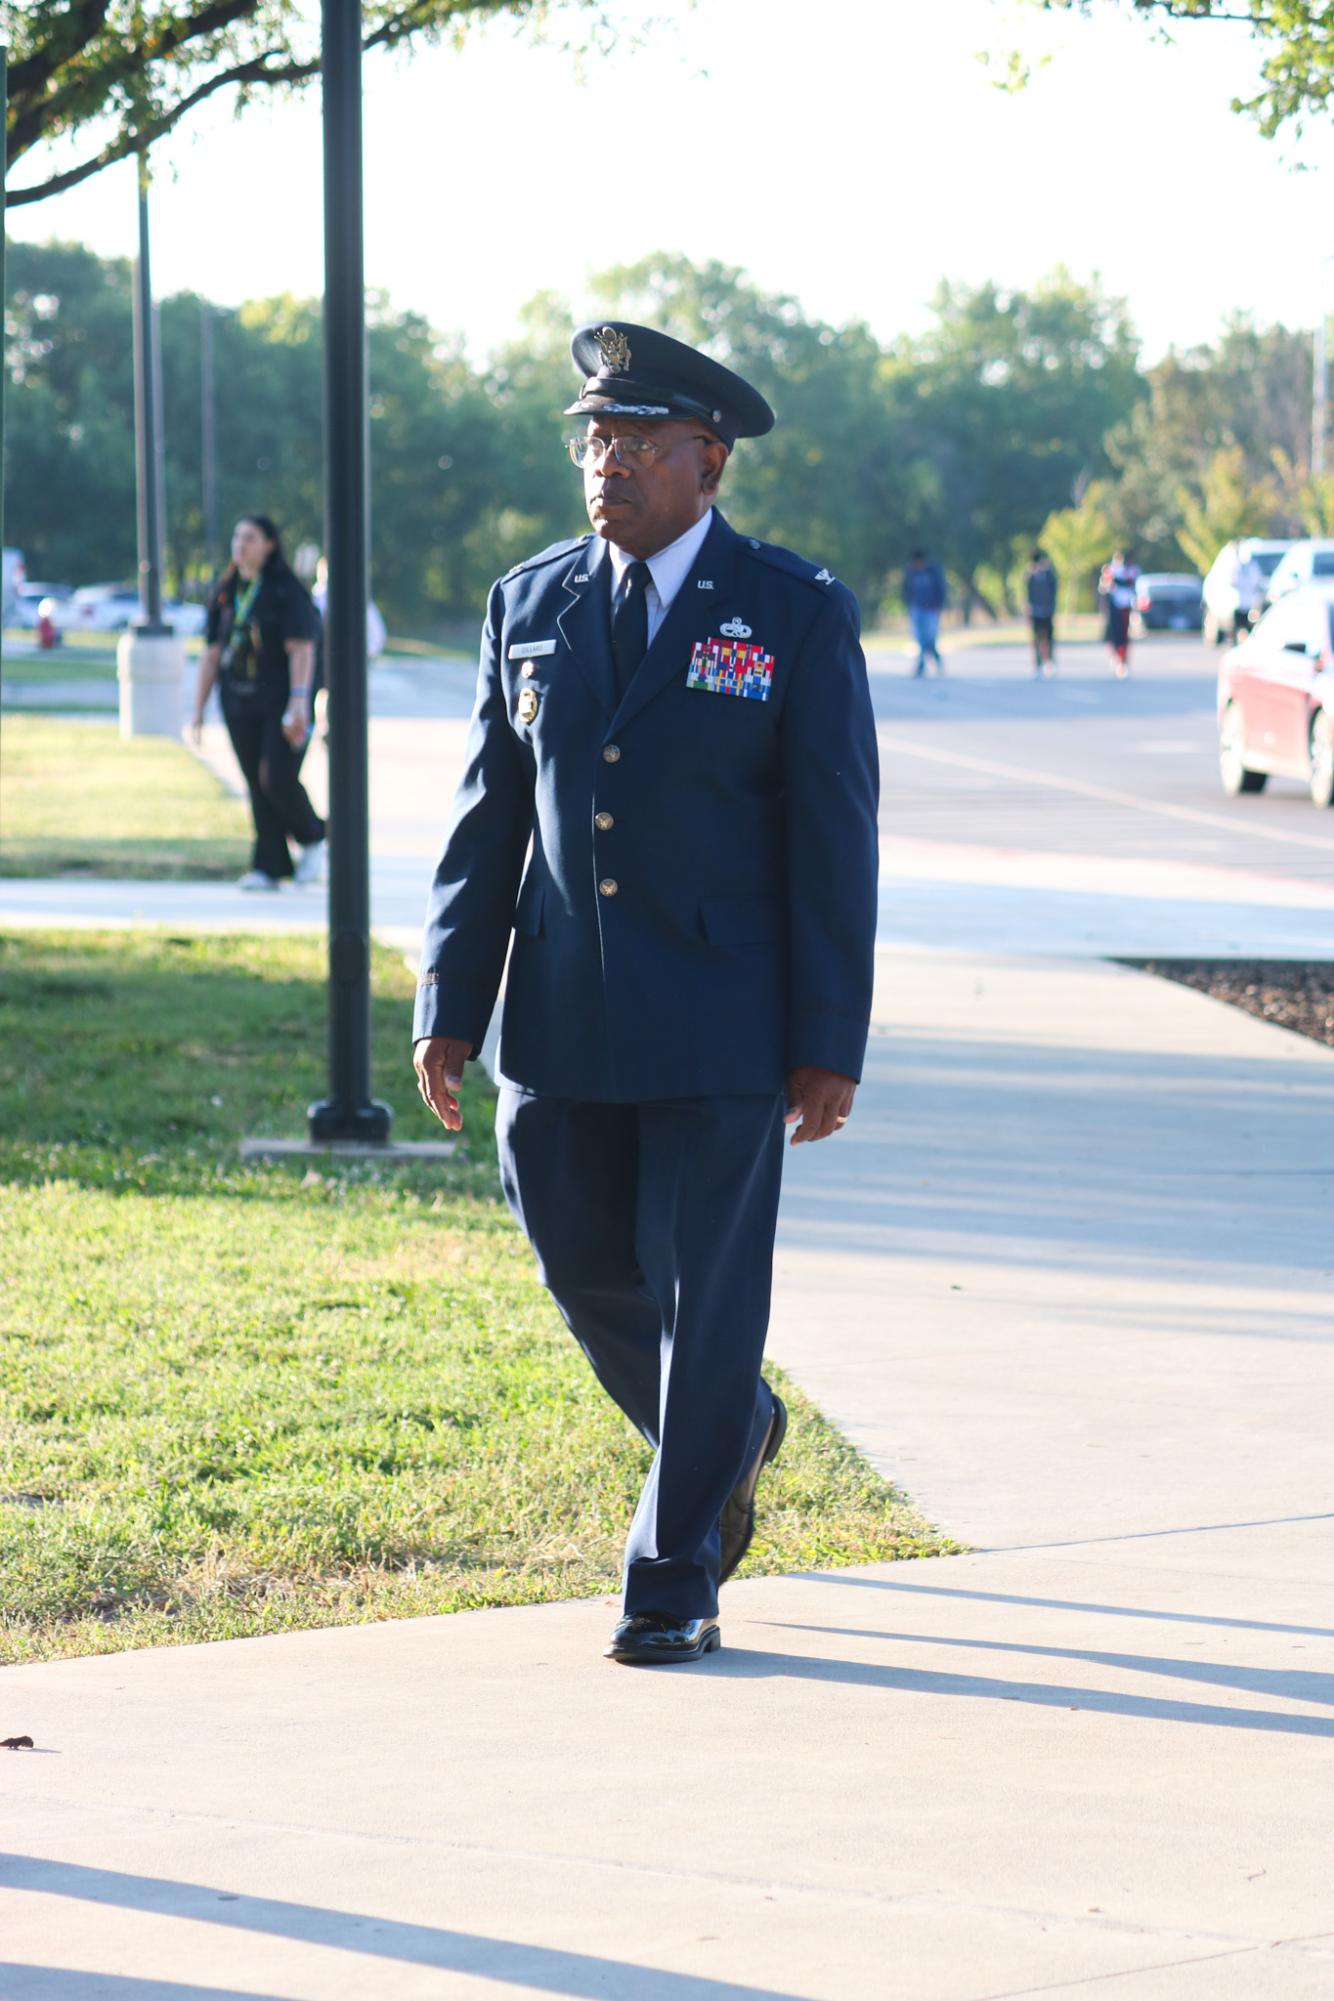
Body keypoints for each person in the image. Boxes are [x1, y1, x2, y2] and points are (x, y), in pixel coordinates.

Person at [413, 322, 879, 1667]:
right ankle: (729, 1431)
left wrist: (824, 1040)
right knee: (577, 1261)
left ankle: (672, 1574)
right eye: (592, 441)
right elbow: (484, 821)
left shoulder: (789, 610)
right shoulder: (532, 602)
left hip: (721, 1025)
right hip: (559, 1016)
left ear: (708, 461)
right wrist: (453, 998)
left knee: (704, 1297)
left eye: (633, 443)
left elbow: (830, 836)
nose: (603, 464)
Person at [192, 515, 327, 889]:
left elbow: (302, 650)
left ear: (269, 544)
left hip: (282, 703)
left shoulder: (285, 591)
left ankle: (313, 835)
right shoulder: (226, 592)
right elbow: (212, 653)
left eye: (249, 538)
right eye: (237, 537)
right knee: (255, 781)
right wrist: (198, 709)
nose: (241, 544)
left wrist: (300, 702)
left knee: (276, 776)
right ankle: (269, 866)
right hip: (238, 702)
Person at [903, 547, 947, 675]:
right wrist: (908, 604)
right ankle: (923, 665)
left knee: (930, 638)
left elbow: (941, 589)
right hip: (916, 609)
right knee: (920, 639)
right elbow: (906, 589)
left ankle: (927, 664)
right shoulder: (911, 572)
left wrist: (940, 605)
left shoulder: (933, 571)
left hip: (931, 610)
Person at [1101, 550, 1140, 678]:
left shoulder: (1130, 571)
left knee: (1124, 636)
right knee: (1113, 635)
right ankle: (1116, 659)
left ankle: (1123, 661)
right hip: (1113, 608)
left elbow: (1132, 584)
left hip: (1125, 607)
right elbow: (1103, 588)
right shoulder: (1109, 571)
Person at [1025, 548, 1059, 676]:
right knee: (1037, 639)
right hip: (1036, 612)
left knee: (1049, 638)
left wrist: (1052, 608)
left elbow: (1054, 593)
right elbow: (1028, 596)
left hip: (1047, 611)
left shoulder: (1049, 576)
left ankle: (1050, 662)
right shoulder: (1031, 577)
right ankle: (1038, 664)